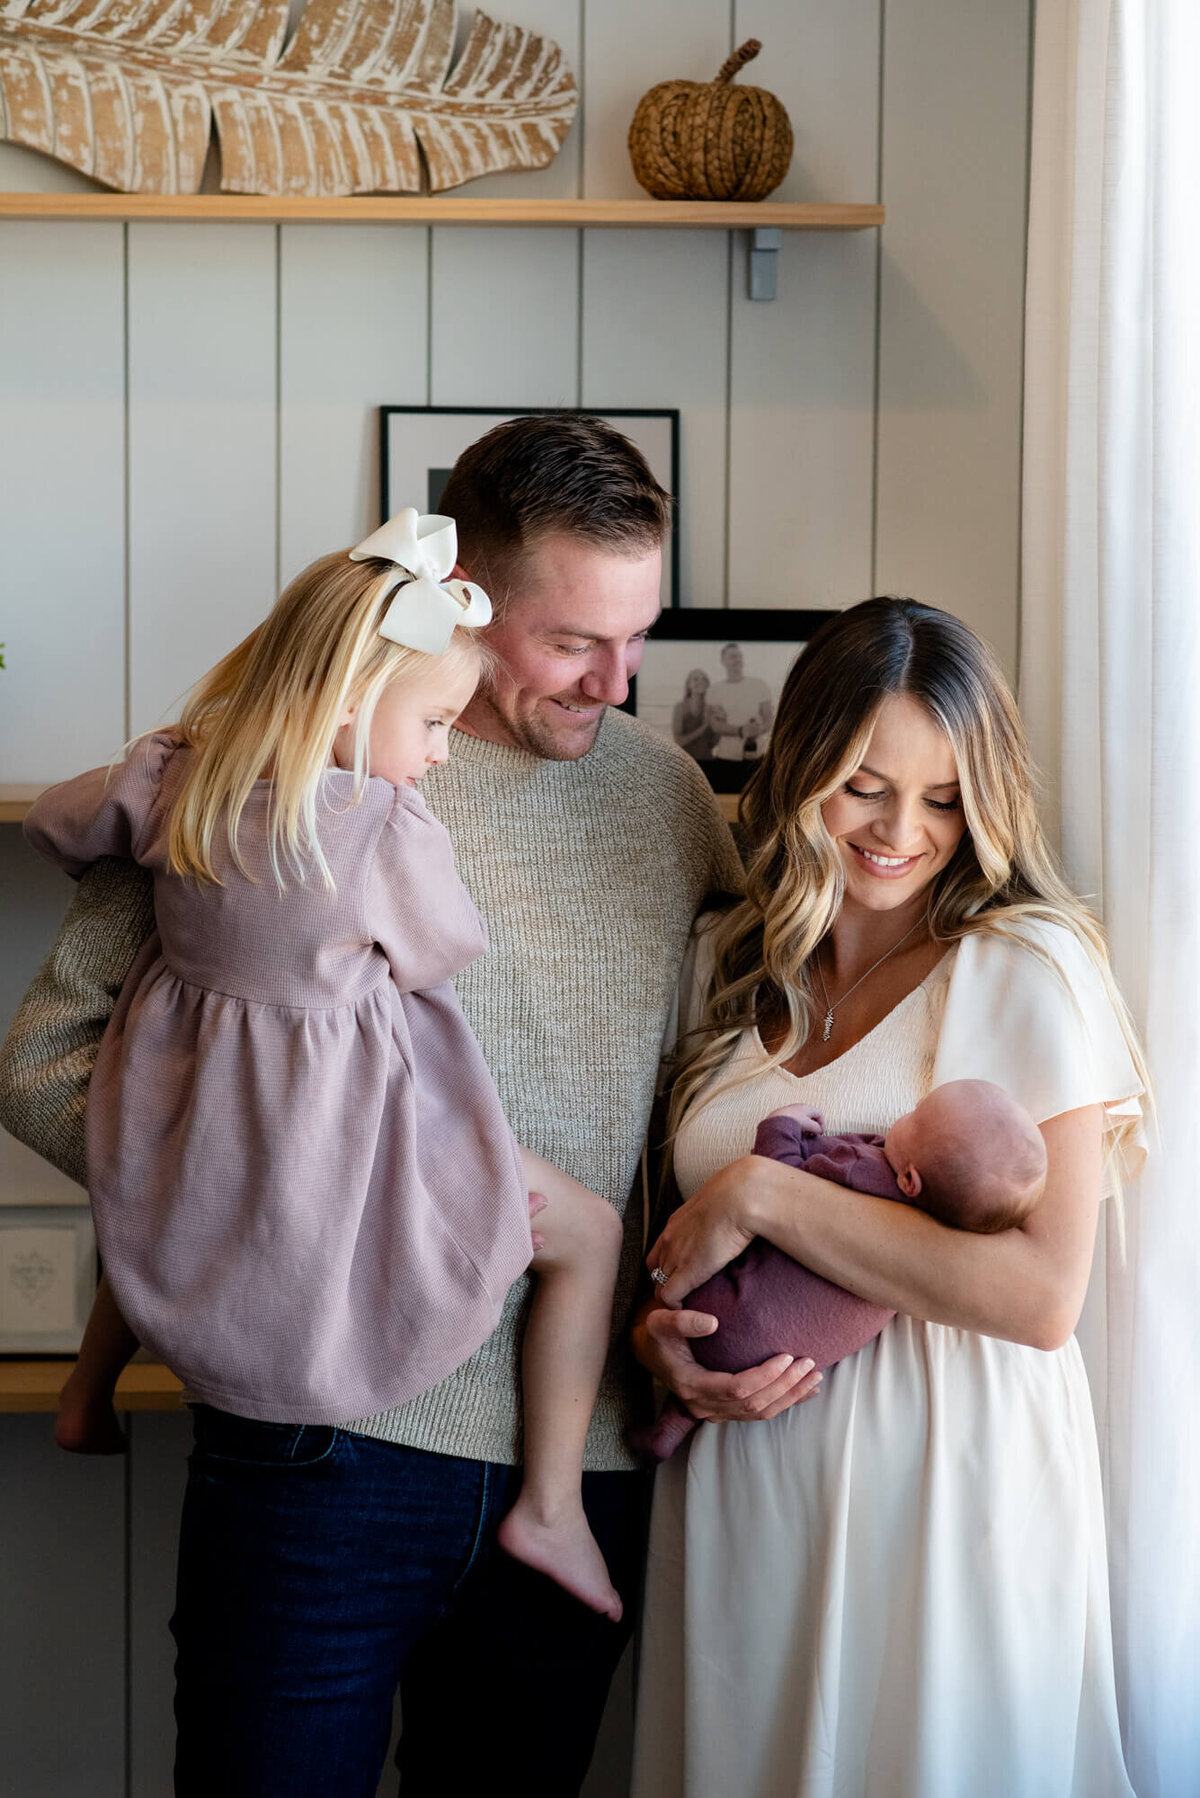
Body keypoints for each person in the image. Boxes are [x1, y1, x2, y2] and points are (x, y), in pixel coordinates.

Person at [0, 414, 751, 1798]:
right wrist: (312, 1181)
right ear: (463, 594)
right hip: (319, 1445)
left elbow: (723, 1091)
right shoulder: (267, 776)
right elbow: (48, 1062)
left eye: (639, 633)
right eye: (574, 640)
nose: (618, 678)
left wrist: (714, 1298)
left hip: (578, 1461)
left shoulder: (673, 799)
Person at [22, 508, 627, 1620]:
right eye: (436, 723)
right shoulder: (382, 829)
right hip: (333, 1117)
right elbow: (445, 946)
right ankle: (552, 1502)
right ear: (352, 708)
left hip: (177, 1101)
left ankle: (85, 1383)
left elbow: (64, 821)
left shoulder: (179, 779)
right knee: (587, 1236)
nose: (443, 750)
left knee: (154, 1210)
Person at [631, 597, 1147, 1798]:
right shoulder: (728, 964)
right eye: (864, 784)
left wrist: (770, 1194)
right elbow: (675, 1235)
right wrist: (658, 1342)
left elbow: (1037, 1296)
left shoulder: (1025, 966)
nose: (900, 830)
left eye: (943, 797)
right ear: (802, 762)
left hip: (947, 1483)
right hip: (746, 1479)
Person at [638, 1080, 1048, 1459]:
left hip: (716, 1320)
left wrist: (780, 1126)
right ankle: (675, 1423)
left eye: (916, 1116)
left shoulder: (860, 1168)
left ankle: (669, 1415)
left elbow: (784, 1174)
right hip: (780, 1367)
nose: (903, 1115)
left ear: (909, 1180)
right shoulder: (921, 1257)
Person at [706, 640, 773, 761]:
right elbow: (715, 725)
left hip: (757, 755)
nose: (738, 660)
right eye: (732, 657)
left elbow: (768, 717)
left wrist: (758, 730)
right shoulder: (715, 690)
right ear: (723, 661)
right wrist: (741, 731)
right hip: (726, 755)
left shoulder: (759, 685)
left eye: (739, 656)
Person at [672, 667, 716, 761]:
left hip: (707, 760)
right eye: (695, 679)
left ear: (707, 685)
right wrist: (703, 727)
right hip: (686, 763)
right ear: (689, 685)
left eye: (704, 679)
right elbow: (678, 741)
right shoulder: (680, 707)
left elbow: (712, 743)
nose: (700, 681)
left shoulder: (710, 709)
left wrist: (721, 722)